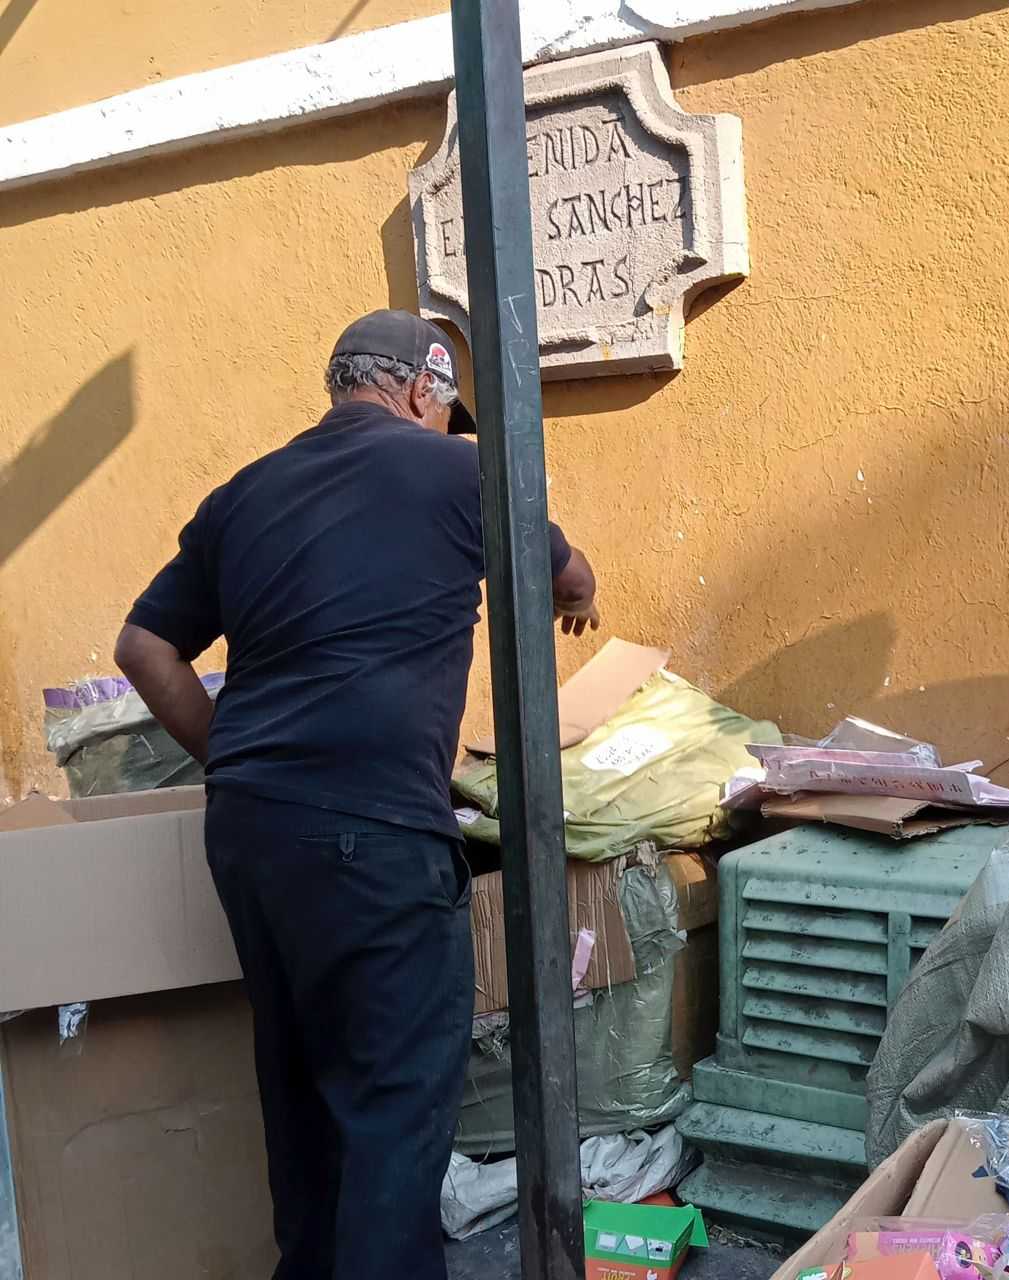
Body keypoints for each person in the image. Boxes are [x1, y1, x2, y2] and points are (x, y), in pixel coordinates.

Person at [114, 310, 598, 1280]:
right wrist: (575, 595)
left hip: (251, 832)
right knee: (391, 1115)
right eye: (445, 406)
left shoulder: (242, 495)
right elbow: (568, 570)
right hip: (374, 833)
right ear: (424, 386)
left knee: (302, 1101)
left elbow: (144, 646)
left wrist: (237, 756)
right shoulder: (460, 473)